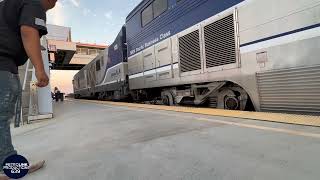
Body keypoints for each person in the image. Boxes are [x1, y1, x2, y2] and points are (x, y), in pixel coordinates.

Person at [0, 0, 57, 179]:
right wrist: (40, 70)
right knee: (1, 114)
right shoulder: (34, 3)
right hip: (2, 62)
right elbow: (28, 31)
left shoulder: (10, 4)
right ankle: (5, 164)